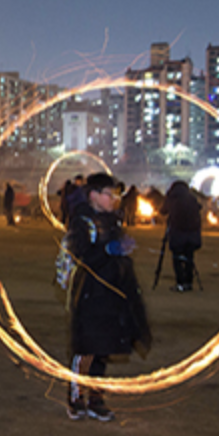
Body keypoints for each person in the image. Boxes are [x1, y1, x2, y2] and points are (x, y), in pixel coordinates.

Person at [63, 173, 151, 422]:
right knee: (86, 347)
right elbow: (83, 257)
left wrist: (122, 256)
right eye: (108, 194)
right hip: (89, 292)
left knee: (103, 347)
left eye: (115, 194)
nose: (113, 199)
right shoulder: (82, 221)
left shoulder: (113, 222)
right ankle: (76, 397)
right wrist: (108, 250)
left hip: (110, 292)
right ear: (94, 195)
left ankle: (96, 398)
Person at [159, 181, 202, 292]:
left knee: (177, 258)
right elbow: (199, 207)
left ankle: (180, 282)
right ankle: (188, 282)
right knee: (189, 258)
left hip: (177, 233)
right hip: (192, 234)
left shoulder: (172, 198)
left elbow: (163, 211)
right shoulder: (191, 198)